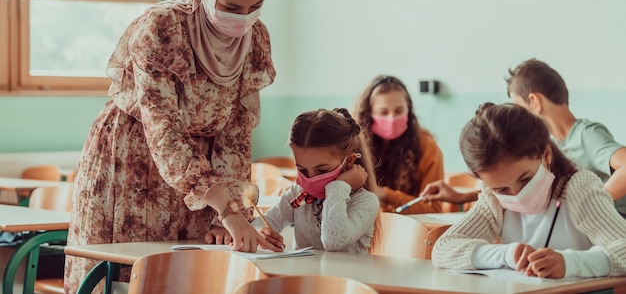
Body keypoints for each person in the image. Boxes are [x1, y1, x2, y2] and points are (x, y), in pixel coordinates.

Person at [65, 0, 278, 292]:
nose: (243, 20)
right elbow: (164, 133)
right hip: (133, 162)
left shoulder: (255, 39)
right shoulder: (162, 28)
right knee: (128, 280)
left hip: (202, 179)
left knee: (188, 278)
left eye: (255, 6)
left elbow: (236, 134)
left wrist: (226, 215)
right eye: (231, 6)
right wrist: (225, 208)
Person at [432, 103, 626, 279]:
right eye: (502, 189)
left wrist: (569, 263)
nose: (517, 194)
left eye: (525, 179)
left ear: (546, 154)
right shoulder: (493, 200)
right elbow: (442, 249)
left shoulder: (577, 189)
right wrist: (507, 254)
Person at [422, 59, 626, 217]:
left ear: (534, 101)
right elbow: (524, 191)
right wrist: (462, 196)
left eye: (518, 108)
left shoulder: (585, 133)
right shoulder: (549, 147)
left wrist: (592, 204)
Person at [253, 108, 381, 253]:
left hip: (344, 276)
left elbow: (333, 242)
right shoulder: (298, 193)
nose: (311, 179)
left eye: (322, 171)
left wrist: (339, 187)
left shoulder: (365, 201)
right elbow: (267, 221)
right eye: (302, 170)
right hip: (303, 275)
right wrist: (260, 231)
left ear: (349, 161)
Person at [353, 75, 444, 214]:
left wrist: (385, 194)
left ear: (409, 110)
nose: (392, 118)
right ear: (368, 113)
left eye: (399, 111)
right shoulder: (354, 146)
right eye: (383, 112)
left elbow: (433, 209)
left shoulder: (427, 146)